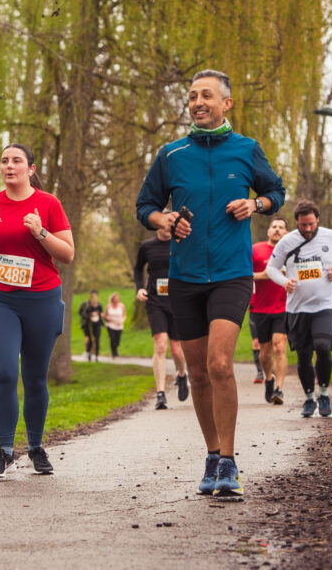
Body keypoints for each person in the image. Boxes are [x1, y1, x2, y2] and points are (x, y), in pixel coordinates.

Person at [135, 69, 285, 497]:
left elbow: (277, 192)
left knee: (220, 364)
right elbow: (145, 204)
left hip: (231, 273)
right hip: (184, 278)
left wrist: (255, 203)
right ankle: (212, 455)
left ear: (226, 104)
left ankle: (230, 463)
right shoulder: (172, 154)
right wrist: (162, 219)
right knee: (198, 373)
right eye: (192, 96)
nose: (198, 102)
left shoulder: (246, 150)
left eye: (206, 96)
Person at [0, 143, 74, 478]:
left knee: (34, 377)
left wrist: (40, 232)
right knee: (4, 371)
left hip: (42, 299)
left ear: (31, 168)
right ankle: (3, 452)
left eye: (17, 160)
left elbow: (68, 254)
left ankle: (35, 447)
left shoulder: (48, 203)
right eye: (4, 160)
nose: (9, 165)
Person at [266, 200, 332, 419]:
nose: (307, 229)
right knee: (304, 356)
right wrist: (283, 282)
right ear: (297, 222)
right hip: (297, 309)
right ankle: (309, 399)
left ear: (317, 220)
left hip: (324, 305)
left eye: (311, 224)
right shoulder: (287, 241)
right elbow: (271, 268)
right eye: (303, 225)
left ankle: (324, 394)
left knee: (323, 347)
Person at [133, 226, 189, 408]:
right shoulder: (147, 246)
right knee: (160, 344)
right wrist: (139, 288)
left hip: (177, 301)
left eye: (169, 225)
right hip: (155, 300)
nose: (166, 228)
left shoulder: (181, 243)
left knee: (176, 349)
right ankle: (160, 393)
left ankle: (182, 374)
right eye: (163, 224)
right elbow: (138, 268)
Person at [251, 217, 290, 405]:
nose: (277, 230)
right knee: (265, 352)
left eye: (281, 227)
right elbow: (244, 274)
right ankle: (268, 378)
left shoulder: (291, 252)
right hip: (261, 306)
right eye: (274, 226)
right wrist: (264, 275)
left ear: (286, 233)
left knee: (280, 346)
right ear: (268, 231)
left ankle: (279, 389)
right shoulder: (255, 250)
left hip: (284, 306)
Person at [78, 290, 103, 361]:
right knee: (89, 340)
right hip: (88, 324)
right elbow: (82, 313)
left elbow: (100, 313)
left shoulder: (99, 305)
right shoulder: (86, 305)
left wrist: (98, 314)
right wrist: (90, 315)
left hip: (97, 324)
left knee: (97, 339)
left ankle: (96, 355)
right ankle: (88, 353)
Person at [103, 292, 127, 358]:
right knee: (112, 338)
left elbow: (124, 315)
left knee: (117, 340)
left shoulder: (122, 306)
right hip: (110, 325)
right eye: (115, 298)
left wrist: (122, 321)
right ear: (112, 299)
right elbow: (105, 315)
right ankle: (113, 352)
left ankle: (116, 349)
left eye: (118, 298)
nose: (117, 299)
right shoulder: (108, 306)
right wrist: (107, 318)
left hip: (119, 325)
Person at [249, 319, 265, 384]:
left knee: (268, 345)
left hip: (269, 313)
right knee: (256, 343)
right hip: (254, 314)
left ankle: (269, 370)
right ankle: (260, 372)